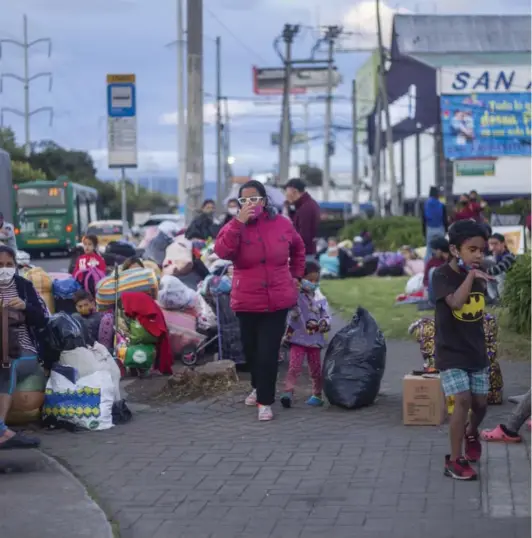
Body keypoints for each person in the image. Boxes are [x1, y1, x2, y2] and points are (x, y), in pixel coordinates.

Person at [214, 179, 305, 421]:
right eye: (245, 200)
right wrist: (238, 223)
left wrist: (296, 275)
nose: (250, 204)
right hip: (247, 298)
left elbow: (298, 248)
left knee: (268, 351)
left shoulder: (281, 224)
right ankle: (257, 386)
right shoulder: (234, 225)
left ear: (264, 201)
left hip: (277, 297)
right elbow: (222, 251)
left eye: (255, 199)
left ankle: (265, 401)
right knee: (251, 350)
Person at [431, 220, 493, 480]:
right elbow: (456, 303)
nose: (479, 255)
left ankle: (471, 432)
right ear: (456, 250)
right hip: (450, 353)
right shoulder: (441, 275)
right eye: (473, 249)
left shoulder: (481, 274)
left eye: (482, 250)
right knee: (463, 399)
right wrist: (470, 276)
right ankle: (454, 461)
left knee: (480, 404)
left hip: (475, 352)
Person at [0, 245, 47, 449]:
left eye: (9, 264)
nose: (4, 268)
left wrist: (26, 306)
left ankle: (1, 431)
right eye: (0, 265)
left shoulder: (24, 286)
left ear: (16, 266)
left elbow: (43, 320)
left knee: (8, 366)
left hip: (24, 351)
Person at [280, 261, 331, 408]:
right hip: (298, 339)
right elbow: (287, 304)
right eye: (310, 279)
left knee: (315, 368)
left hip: (315, 340)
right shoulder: (296, 295)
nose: (313, 283)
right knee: (294, 366)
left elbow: (327, 317)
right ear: (301, 278)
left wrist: (321, 324)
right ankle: (288, 392)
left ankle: (317, 394)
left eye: (316, 280)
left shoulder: (320, 299)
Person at [284, 178, 320, 257]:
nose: (285, 195)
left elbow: (303, 235)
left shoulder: (306, 208)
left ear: (295, 191)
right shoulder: (304, 205)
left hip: (304, 255)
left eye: (286, 192)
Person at [486, 233, 516, 302]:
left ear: (503, 244)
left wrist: (484, 272)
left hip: (512, 284)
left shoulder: (509, 255)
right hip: (500, 285)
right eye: (491, 244)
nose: (493, 247)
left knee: (499, 275)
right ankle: (494, 299)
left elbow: (499, 269)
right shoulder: (493, 257)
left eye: (495, 244)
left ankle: (504, 300)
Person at [422, 186, 448, 262]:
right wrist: (446, 230)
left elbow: (423, 220)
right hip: (440, 229)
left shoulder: (426, 205)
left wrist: (424, 232)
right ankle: (441, 267)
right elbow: (445, 219)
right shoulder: (441, 205)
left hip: (430, 229)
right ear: (437, 194)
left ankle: (427, 268)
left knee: (429, 251)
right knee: (442, 250)